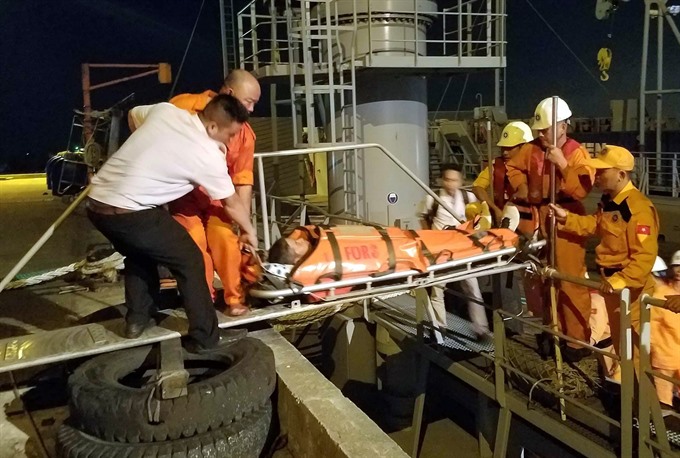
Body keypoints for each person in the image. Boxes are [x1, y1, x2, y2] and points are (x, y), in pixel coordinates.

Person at [88, 94, 256, 353]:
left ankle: (137, 320)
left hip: (97, 206)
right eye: (229, 134)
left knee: (139, 252)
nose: (231, 141)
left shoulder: (165, 111)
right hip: (132, 212)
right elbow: (231, 204)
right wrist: (250, 230)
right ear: (212, 127)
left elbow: (133, 115)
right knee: (190, 259)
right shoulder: (206, 155)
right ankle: (206, 338)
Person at [551, 145, 659, 373]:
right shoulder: (611, 202)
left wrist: (619, 282)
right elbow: (594, 224)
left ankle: (643, 404)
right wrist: (567, 218)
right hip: (614, 290)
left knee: (636, 354)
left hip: (631, 292)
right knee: (624, 350)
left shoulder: (637, 208)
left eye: (602, 171)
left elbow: (645, 257)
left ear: (621, 174)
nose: (596, 175)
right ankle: (632, 400)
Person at [506, 96, 594, 362]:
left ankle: (576, 342)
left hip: (566, 216)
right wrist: (523, 187)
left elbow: (582, 188)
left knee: (569, 281)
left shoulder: (576, 152)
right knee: (545, 280)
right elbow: (512, 167)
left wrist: (563, 165)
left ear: (563, 126)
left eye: (545, 129)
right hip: (542, 215)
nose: (540, 134)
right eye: (539, 130)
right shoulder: (532, 149)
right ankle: (552, 331)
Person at [169, 70, 261, 316]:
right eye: (248, 102)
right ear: (229, 94)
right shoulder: (182, 107)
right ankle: (203, 300)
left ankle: (234, 299)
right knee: (194, 243)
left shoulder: (245, 134)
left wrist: (244, 226)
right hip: (184, 195)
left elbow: (242, 180)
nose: (251, 110)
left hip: (218, 198)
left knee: (226, 240)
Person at [418, 164, 491, 340]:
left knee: (473, 288)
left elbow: (478, 220)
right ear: (443, 181)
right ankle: (440, 328)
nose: (451, 184)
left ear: (461, 181)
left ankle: (481, 329)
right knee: (438, 290)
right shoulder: (433, 199)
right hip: (441, 252)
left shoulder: (468, 197)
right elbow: (422, 217)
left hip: (462, 251)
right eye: (448, 180)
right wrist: (431, 239)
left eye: (455, 180)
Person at [472, 121, 534, 225]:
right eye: (503, 147)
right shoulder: (496, 166)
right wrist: (495, 209)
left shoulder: (535, 167)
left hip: (528, 221)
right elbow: (477, 187)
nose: (505, 152)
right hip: (502, 221)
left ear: (524, 147)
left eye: (509, 148)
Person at [650, 251, 680, 409]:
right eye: (677, 266)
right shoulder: (661, 295)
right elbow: (652, 327)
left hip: (672, 356)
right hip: (664, 358)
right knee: (664, 403)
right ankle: (664, 431)